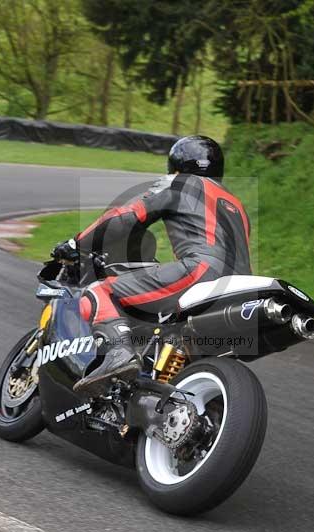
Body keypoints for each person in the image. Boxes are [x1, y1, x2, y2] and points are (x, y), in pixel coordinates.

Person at [52, 135, 251, 396]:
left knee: (101, 292)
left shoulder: (179, 183)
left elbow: (125, 217)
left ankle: (120, 353)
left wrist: (77, 243)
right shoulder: (237, 205)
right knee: (167, 329)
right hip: (239, 289)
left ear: (176, 166)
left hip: (201, 272)